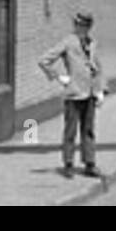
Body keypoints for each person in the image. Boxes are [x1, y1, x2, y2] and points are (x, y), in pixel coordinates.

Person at [38, 10, 105, 178]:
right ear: (75, 25)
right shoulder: (68, 42)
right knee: (70, 131)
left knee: (88, 130)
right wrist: (59, 77)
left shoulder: (92, 43)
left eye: (86, 26)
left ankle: (90, 163)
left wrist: (100, 90)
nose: (83, 29)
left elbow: (98, 68)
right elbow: (44, 60)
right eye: (80, 25)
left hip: (89, 94)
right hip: (73, 94)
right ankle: (68, 164)